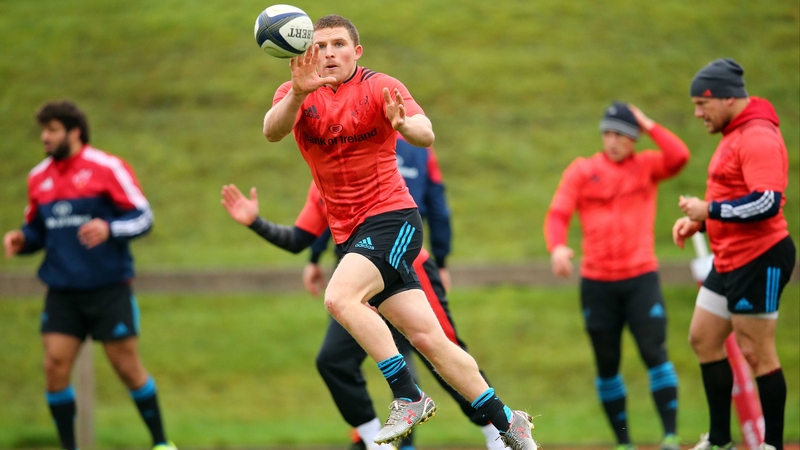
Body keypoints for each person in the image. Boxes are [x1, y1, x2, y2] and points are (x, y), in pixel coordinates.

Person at [261, 14, 538, 450]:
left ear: (357, 52)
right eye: (321, 46)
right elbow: (272, 131)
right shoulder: (296, 93)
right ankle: (508, 420)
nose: (329, 53)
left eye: (338, 44)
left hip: (393, 218)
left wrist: (404, 124)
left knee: (340, 297)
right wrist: (297, 92)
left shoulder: (379, 86)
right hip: (351, 233)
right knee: (430, 339)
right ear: (307, 53)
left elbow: (425, 132)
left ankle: (408, 395)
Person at [221, 180, 504, 450]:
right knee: (333, 361)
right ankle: (373, 440)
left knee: (438, 350)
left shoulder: (371, 157)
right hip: (357, 281)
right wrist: (255, 222)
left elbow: (421, 203)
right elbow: (300, 237)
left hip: (404, 266)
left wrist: (440, 258)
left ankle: (497, 430)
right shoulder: (320, 175)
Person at [2, 101, 175, 450]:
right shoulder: (38, 177)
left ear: (74, 131)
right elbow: (38, 230)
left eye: (51, 130)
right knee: (54, 367)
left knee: (127, 369)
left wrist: (109, 228)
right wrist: (23, 240)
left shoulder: (107, 167)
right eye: (43, 130)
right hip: (63, 291)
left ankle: (161, 443)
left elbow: (144, 217)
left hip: (108, 289)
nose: (44, 138)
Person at [544, 101, 689, 450]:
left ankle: (670, 437)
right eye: (608, 133)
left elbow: (679, 156)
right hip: (597, 283)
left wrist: (647, 122)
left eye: (622, 135)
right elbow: (558, 213)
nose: (613, 141)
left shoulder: (648, 167)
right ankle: (624, 443)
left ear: (634, 139)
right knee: (607, 364)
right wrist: (558, 248)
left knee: (655, 352)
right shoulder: (582, 170)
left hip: (641, 279)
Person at [304, 136, 460, 450]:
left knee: (415, 346)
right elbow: (437, 206)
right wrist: (441, 259)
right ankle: (375, 439)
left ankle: (396, 440)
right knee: (360, 355)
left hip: (377, 259)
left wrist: (314, 255)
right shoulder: (418, 149)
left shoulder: (347, 140)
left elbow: (328, 205)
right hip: (395, 256)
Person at [673, 58, 795, 450]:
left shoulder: (757, 136)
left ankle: (771, 445)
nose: (697, 113)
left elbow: (766, 203)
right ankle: (721, 440)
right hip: (729, 256)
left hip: (760, 257)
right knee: (703, 338)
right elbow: (736, 197)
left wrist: (708, 210)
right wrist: (704, 223)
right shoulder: (736, 133)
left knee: (756, 352)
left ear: (725, 98)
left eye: (701, 104)